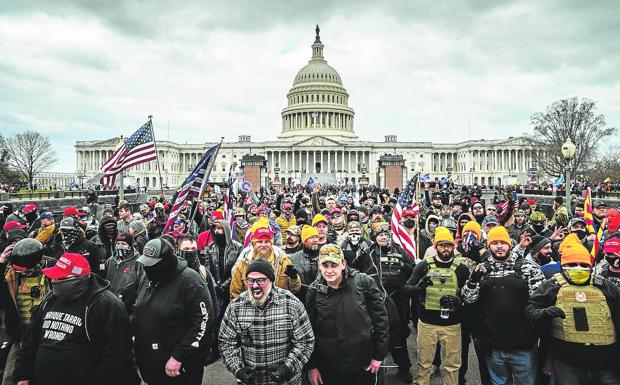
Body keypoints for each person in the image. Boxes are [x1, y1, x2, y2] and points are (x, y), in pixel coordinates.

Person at [12, 253, 139, 385]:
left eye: (60, 278)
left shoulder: (106, 305)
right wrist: (22, 373)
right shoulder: (50, 299)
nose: (54, 281)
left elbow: (116, 357)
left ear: (78, 278)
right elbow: (30, 340)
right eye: (53, 277)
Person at [526, 236, 620, 384]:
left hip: (605, 362)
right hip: (567, 362)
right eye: (572, 264)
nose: (578, 268)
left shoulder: (606, 287)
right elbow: (531, 311)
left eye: (583, 265)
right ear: (563, 266)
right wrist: (545, 313)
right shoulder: (552, 286)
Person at [462, 226, 546, 385]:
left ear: (509, 244)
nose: (499, 246)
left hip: (524, 347)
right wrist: (473, 280)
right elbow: (468, 299)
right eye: (494, 243)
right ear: (488, 246)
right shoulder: (482, 269)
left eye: (503, 242)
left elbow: (540, 302)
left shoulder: (528, 268)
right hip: (494, 346)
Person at [219, 259, 315, 385]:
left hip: (287, 381)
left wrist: (288, 367)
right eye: (250, 280)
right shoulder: (235, 307)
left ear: (271, 280)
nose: (254, 286)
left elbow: (305, 341)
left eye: (260, 280)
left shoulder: (292, 304)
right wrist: (238, 369)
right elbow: (226, 343)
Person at [134, 238, 215, 385]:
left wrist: (179, 356)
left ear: (165, 262)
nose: (147, 267)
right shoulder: (148, 277)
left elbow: (203, 322)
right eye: (146, 263)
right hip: (152, 363)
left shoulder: (190, 280)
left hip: (179, 366)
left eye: (152, 264)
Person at [306, 244, 389, 385]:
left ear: (343, 264)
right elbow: (308, 332)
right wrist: (312, 366)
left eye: (334, 265)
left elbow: (381, 321)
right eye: (325, 266)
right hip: (328, 365)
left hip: (361, 364)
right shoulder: (314, 290)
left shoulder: (363, 282)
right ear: (319, 266)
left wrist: (378, 356)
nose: (329, 271)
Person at [406, 227, 470, 385]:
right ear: (435, 247)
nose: (446, 248)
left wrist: (458, 300)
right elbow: (406, 289)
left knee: (452, 365)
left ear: (453, 246)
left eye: (449, 245)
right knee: (424, 363)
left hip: (452, 325)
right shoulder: (423, 266)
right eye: (442, 245)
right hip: (427, 324)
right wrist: (419, 288)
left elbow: (470, 295)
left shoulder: (461, 269)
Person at [0, 238, 54, 385]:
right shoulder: (10, 275)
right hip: (21, 336)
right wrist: (1, 263)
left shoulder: (51, 270)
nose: (21, 272)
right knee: (10, 377)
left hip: (48, 335)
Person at [229, 226, 301, 299]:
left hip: (278, 307)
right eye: (259, 242)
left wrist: (294, 278)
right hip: (251, 307)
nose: (263, 245)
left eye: (267, 242)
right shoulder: (243, 264)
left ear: (271, 244)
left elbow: (295, 290)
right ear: (254, 244)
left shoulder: (283, 262)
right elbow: (235, 294)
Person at [104, 232, 144, 313]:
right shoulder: (110, 260)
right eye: (118, 243)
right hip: (109, 302)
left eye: (123, 243)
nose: (119, 246)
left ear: (130, 246)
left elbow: (141, 284)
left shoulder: (138, 262)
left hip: (127, 306)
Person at [289, 226, 321, 302]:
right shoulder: (293, 258)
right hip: (302, 299)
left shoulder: (325, 255)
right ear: (304, 241)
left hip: (322, 299)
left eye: (316, 237)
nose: (315, 240)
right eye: (311, 237)